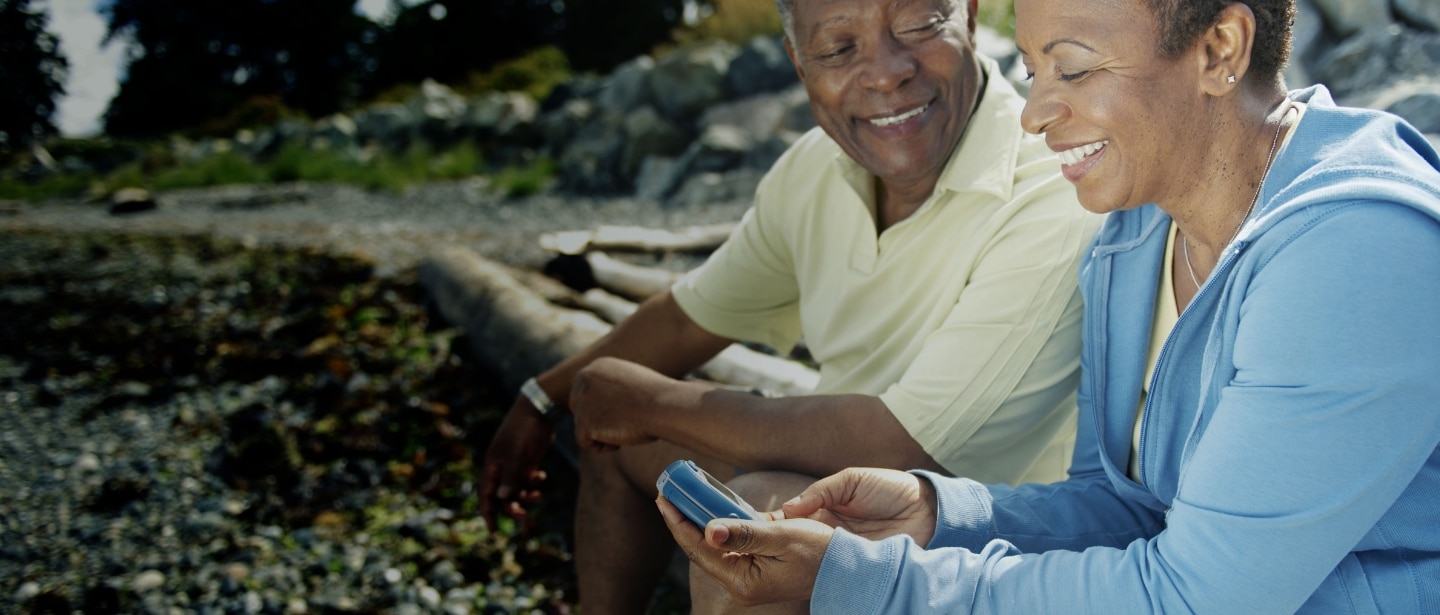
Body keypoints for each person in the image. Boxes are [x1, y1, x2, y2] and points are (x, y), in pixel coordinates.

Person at [660, 0, 1440, 612]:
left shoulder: (1357, 249)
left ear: (1219, 51)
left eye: (1073, 69)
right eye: (1032, 72)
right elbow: (1121, 502)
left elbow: (1194, 596)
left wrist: (870, 580)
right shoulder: (1134, 233)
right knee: (768, 524)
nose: (1034, 114)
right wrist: (936, 514)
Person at [478, 0, 1105, 610]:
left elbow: (902, 446)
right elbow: (688, 317)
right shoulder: (815, 169)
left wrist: (651, 402)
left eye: (917, 25)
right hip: (841, 487)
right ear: (799, 63)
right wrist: (542, 398)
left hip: (997, 551)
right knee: (621, 444)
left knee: (749, 530)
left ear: (968, 17)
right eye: (838, 47)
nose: (887, 70)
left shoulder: (1055, 187)